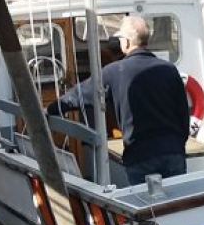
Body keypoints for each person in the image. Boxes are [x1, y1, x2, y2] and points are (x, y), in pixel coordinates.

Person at [48, 16, 189, 185]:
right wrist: (178, 144)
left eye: (121, 39)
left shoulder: (114, 71)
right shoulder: (169, 69)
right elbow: (183, 114)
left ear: (127, 42)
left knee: (146, 206)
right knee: (175, 203)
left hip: (140, 155)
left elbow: (79, 96)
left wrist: (50, 109)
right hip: (172, 151)